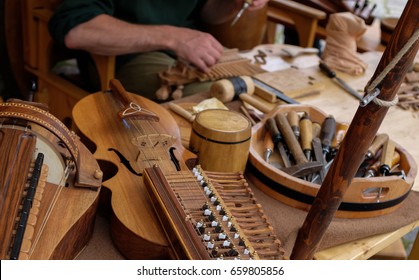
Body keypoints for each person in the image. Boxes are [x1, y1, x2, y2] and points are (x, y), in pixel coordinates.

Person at [48, 0, 269, 101]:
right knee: (221, 95)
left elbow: (206, 11)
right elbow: (76, 30)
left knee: (264, 87)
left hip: (185, 48)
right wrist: (172, 37)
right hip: (121, 57)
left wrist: (234, 3)